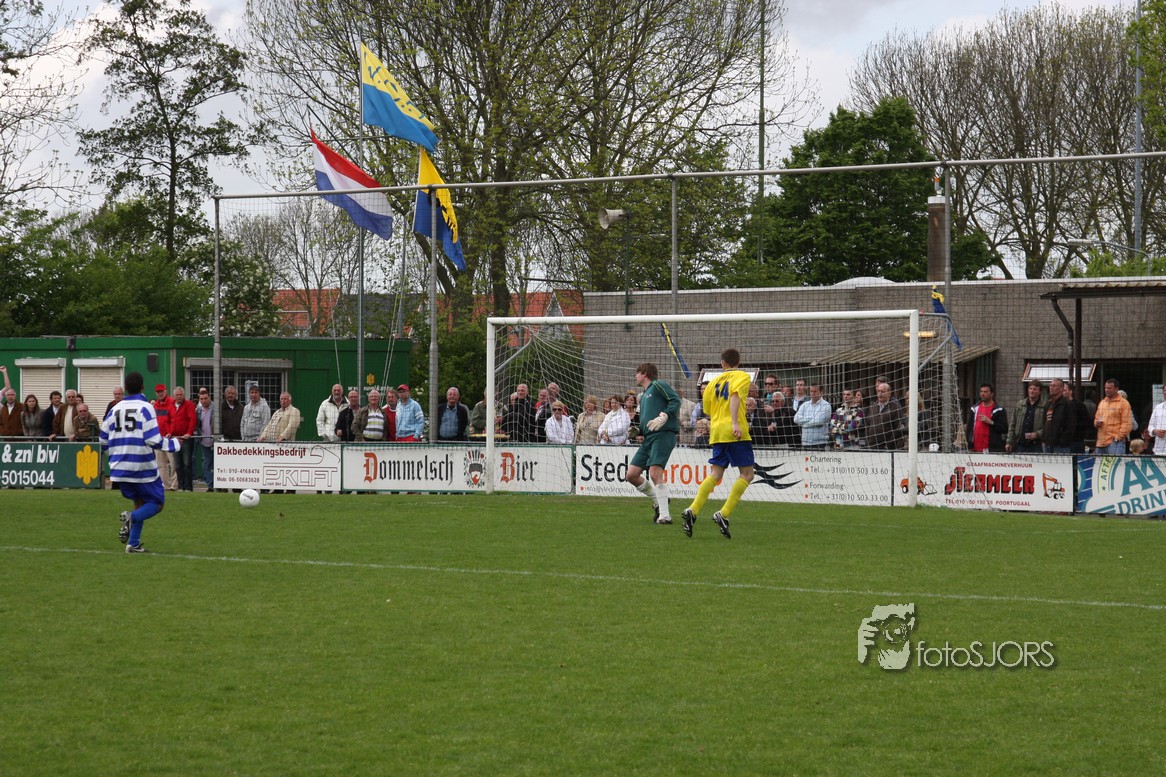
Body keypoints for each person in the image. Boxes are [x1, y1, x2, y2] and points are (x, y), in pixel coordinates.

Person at [101, 371, 180, 553]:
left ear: (125, 389)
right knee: (157, 503)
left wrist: (117, 452)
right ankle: (132, 518)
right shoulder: (146, 407)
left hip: (118, 468)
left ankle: (133, 543)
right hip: (141, 466)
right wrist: (175, 444)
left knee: (139, 501)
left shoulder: (114, 409)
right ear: (143, 387)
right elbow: (153, 439)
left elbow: (103, 440)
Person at [682, 349, 753, 540]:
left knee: (716, 474)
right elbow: (735, 396)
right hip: (735, 432)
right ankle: (724, 513)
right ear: (738, 361)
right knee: (747, 474)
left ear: (722, 363)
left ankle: (693, 509)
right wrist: (735, 423)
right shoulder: (742, 376)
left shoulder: (712, 382)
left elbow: (707, 409)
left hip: (717, 432)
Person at [623, 362, 680, 525]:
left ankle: (665, 516)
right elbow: (648, 421)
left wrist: (665, 416)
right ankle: (659, 500)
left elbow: (675, 400)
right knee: (631, 475)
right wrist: (638, 431)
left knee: (655, 473)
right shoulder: (644, 395)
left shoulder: (658, 385)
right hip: (649, 439)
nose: (635, 376)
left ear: (645, 373)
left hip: (663, 435)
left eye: (637, 373)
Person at [150, 384, 178, 490]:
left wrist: (170, 432)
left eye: (161, 391)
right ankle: (165, 485)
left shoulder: (171, 403)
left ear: (165, 391)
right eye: (158, 392)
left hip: (170, 438)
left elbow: (174, 420)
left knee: (173, 463)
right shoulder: (156, 405)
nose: (160, 393)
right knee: (161, 464)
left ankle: (174, 485)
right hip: (159, 438)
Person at [1094, 378, 1132, 455]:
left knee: (1115, 463)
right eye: (1105, 388)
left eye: (1109, 388)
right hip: (1100, 442)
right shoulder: (1102, 402)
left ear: (1116, 389)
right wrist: (1096, 423)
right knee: (1098, 463)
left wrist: (1118, 437)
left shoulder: (1124, 403)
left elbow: (1127, 424)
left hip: (1115, 443)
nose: (1106, 390)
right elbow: (1096, 419)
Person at [965, 382, 1007, 453]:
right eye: (981, 391)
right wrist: (969, 443)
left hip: (991, 450)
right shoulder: (974, 409)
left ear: (992, 394)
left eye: (985, 392)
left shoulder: (999, 410)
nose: (983, 394)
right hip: (974, 449)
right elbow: (969, 428)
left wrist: (991, 422)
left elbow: (1004, 429)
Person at [1006, 380, 1046, 454]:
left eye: (1035, 389)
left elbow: (1048, 427)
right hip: (1020, 444)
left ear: (1040, 391)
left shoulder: (1044, 406)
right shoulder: (1020, 404)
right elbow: (1013, 424)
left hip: (1036, 445)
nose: (1032, 391)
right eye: (1030, 388)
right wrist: (1009, 442)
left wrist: (1037, 434)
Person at [170, 387, 197, 491]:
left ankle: (188, 487)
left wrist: (189, 433)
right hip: (175, 439)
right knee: (177, 465)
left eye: (181, 395)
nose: (179, 397)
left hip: (186, 439)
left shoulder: (189, 405)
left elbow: (192, 419)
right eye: (177, 395)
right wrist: (169, 432)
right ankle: (180, 486)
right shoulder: (171, 406)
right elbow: (168, 420)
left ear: (184, 395)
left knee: (187, 464)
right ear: (174, 396)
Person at [865, 382, 905, 450]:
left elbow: (898, 428)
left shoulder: (895, 407)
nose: (880, 394)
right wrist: (868, 441)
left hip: (888, 448)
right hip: (872, 446)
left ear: (889, 393)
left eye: (883, 391)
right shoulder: (872, 407)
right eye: (878, 391)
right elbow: (868, 424)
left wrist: (889, 444)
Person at [793, 383, 832, 450]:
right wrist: (812, 418)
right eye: (811, 391)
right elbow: (796, 419)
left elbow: (819, 421)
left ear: (821, 392)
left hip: (821, 443)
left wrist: (803, 424)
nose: (812, 393)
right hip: (805, 443)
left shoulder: (826, 405)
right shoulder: (804, 405)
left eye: (815, 391)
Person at [1041, 378, 1073, 454]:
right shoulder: (1048, 404)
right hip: (1047, 444)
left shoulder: (1067, 404)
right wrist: (1043, 439)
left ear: (1061, 388)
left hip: (1060, 446)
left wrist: (1062, 440)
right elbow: (1044, 422)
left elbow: (1071, 425)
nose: (1051, 388)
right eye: (1050, 385)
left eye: (1054, 386)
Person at [195, 388, 215, 490]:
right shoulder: (198, 410)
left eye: (205, 398)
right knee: (206, 464)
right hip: (203, 440)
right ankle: (210, 485)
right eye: (201, 399)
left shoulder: (215, 408)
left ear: (209, 397)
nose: (203, 401)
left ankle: (218, 485)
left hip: (215, 441)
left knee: (217, 464)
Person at [1147, 384, 1166, 456]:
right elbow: (1150, 426)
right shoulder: (1158, 407)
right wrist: (1154, 431)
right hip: (1159, 450)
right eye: (1164, 391)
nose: (1165, 393)